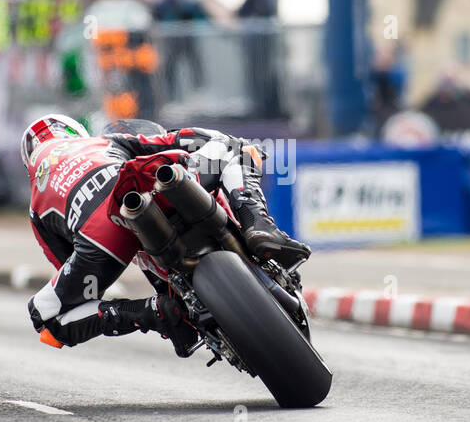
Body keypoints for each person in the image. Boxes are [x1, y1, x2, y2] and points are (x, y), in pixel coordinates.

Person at [21, 113, 309, 354]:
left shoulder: (36, 203)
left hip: (103, 237)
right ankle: (256, 223)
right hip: (159, 185)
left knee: (46, 319)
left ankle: (154, 312)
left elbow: (67, 267)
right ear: (75, 132)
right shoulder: (100, 142)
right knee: (232, 146)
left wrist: (113, 290)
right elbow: (187, 138)